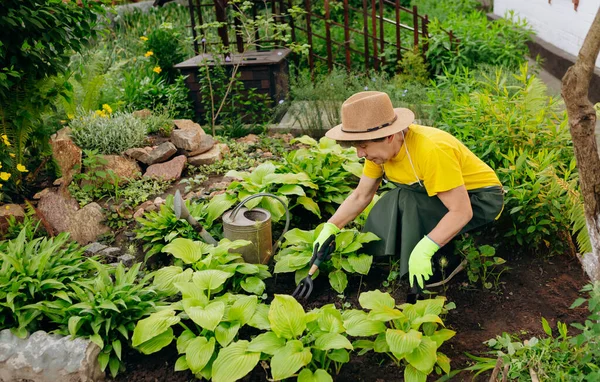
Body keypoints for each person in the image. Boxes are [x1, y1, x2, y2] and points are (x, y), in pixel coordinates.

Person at [312, 91, 504, 300]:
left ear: (389, 136)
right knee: (391, 201)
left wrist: (426, 248)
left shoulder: (430, 149)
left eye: (364, 146)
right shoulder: (378, 152)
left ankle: (443, 262)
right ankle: (396, 256)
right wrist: (330, 227)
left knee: (410, 203)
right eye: (357, 147)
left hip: (479, 199)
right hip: (441, 196)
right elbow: (361, 195)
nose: (360, 154)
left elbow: (461, 211)